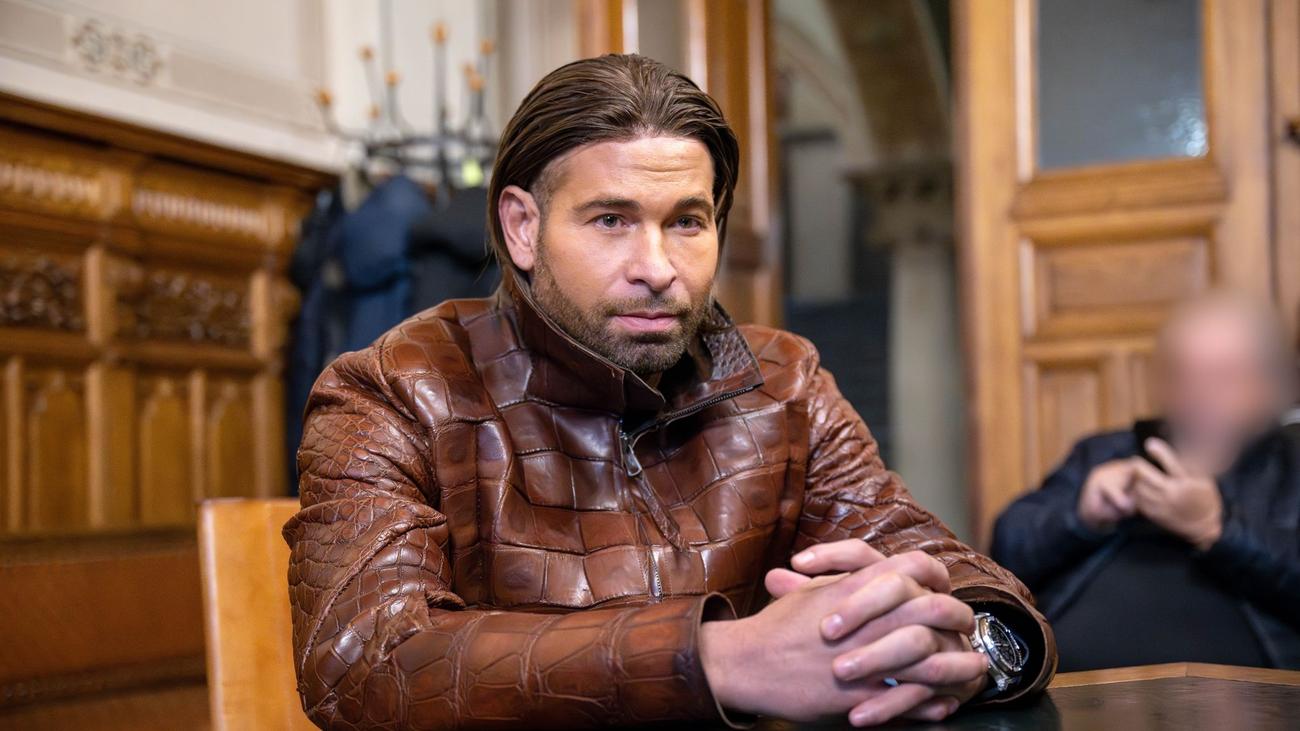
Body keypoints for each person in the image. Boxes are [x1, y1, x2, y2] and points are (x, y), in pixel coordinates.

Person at [284, 54, 1054, 731]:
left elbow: (937, 562)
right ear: (522, 227)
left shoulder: (785, 382)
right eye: (611, 219)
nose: (657, 267)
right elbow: (362, 663)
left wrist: (963, 641)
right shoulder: (393, 389)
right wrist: (721, 658)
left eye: (686, 221)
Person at [992, 294, 1300, 672]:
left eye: (1225, 377)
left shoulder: (1291, 467)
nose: (1197, 397)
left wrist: (1216, 529)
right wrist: (1079, 516)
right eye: (1180, 375)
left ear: (1274, 387)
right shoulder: (1106, 454)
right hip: (1071, 692)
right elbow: (1005, 551)